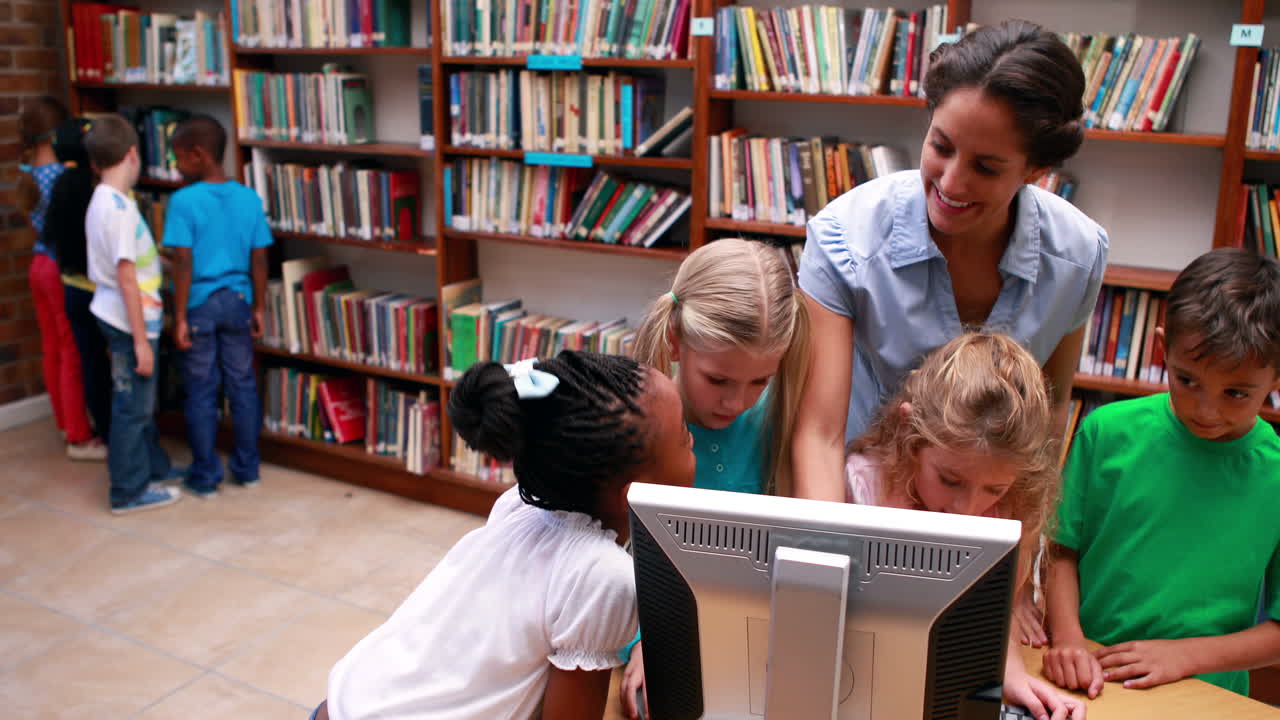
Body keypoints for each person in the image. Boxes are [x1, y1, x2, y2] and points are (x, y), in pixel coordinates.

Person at [791, 19, 1109, 505]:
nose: (952, 183)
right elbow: (820, 432)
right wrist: (831, 552)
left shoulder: (1077, 256)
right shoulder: (844, 237)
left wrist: (1016, 559)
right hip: (860, 499)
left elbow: (1051, 409)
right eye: (941, 147)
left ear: (1037, 170)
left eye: (986, 167)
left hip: (986, 512)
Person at [315, 352, 697, 720]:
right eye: (683, 436)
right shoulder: (603, 578)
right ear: (631, 491)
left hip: (344, 699)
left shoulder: (519, 505)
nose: (691, 440)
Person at [1044, 248, 1280, 699]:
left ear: (1275, 380)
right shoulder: (1105, 433)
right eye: (1187, 380)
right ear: (1160, 349)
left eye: (1235, 392)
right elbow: (1061, 554)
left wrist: (1186, 655)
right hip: (1090, 679)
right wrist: (1069, 639)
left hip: (1206, 693)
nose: (1205, 410)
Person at [844, 331, 1080, 719]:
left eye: (995, 488)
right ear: (911, 432)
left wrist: (1012, 671)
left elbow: (994, 607)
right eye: (950, 480)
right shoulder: (862, 484)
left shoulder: (1015, 505)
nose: (967, 509)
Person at [620, 237, 810, 716]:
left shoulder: (778, 418)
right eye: (718, 380)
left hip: (747, 624)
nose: (736, 402)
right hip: (648, 620)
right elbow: (616, 560)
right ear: (675, 340)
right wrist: (649, 639)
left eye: (759, 381)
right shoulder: (633, 424)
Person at [163, 114, 272, 496]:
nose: (175, 166)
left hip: (199, 305)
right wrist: (259, 307)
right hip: (238, 302)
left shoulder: (183, 201)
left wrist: (178, 316)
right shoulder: (248, 198)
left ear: (198, 154)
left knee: (202, 390)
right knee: (242, 386)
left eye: (178, 157)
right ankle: (247, 469)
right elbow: (259, 258)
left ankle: (206, 476)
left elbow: (183, 260)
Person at [84, 114, 181, 514]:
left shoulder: (104, 201)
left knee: (139, 402)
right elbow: (126, 278)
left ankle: (153, 467)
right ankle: (128, 490)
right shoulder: (119, 211)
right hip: (130, 320)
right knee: (133, 406)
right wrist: (141, 341)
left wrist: (164, 264)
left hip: (116, 312)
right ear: (132, 155)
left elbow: (133, 262)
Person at [19, 96, 106, 460]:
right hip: (59, 270)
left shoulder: (26, 174)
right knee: (72, 350)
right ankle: (79, 436)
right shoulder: (63, 176)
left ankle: (63, 421)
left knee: (52, 347)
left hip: (37, 265)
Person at [46, 116, 112, 447]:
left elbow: (52, 236)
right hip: (100, 290)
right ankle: (122, 432)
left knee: (90, 362)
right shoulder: (98, 192)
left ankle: (103, 428)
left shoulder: (60, 186)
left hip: (72, 287)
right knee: (114, 360)